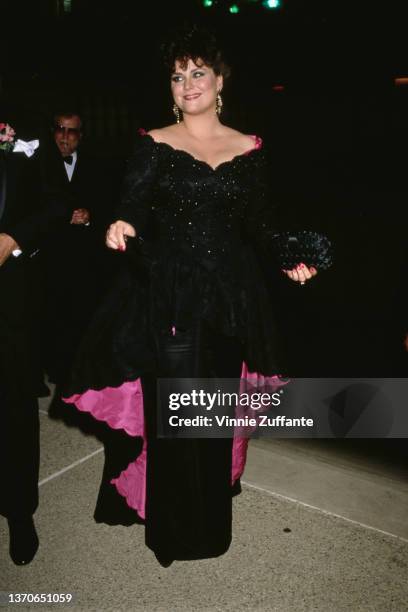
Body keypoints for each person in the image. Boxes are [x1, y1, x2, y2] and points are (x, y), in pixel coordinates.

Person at [64, 26, 317, 567]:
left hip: (230, 297)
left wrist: (289, 256)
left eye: (198, 72)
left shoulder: (250, 148)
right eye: (178, 76)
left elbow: (262, 223)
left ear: (220, 80)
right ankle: (172, 534)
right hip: (169, 296)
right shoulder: (154, 143)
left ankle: (210, 527)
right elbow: (132, 202)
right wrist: (122, 226)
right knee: (177, 418)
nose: (187, 84)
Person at [0, 113, 71, 565]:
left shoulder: (25, 135)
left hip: (8, 298)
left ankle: (19, 513)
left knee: (12, 408)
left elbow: (57, 201)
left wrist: (13, 237)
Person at [39, 111, 113, 385]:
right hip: (50, 254)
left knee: (85, 312)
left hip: (86, 255)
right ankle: (54, 370)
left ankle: (82, 371)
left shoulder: (98, 166)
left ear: (81, 136)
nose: (65, 136)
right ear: (52, 132)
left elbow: (110, 200)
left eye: (72, 131)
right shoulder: (38, 164)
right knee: (53, 312)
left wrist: (91, 215)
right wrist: (63, 216)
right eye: (60, 129)